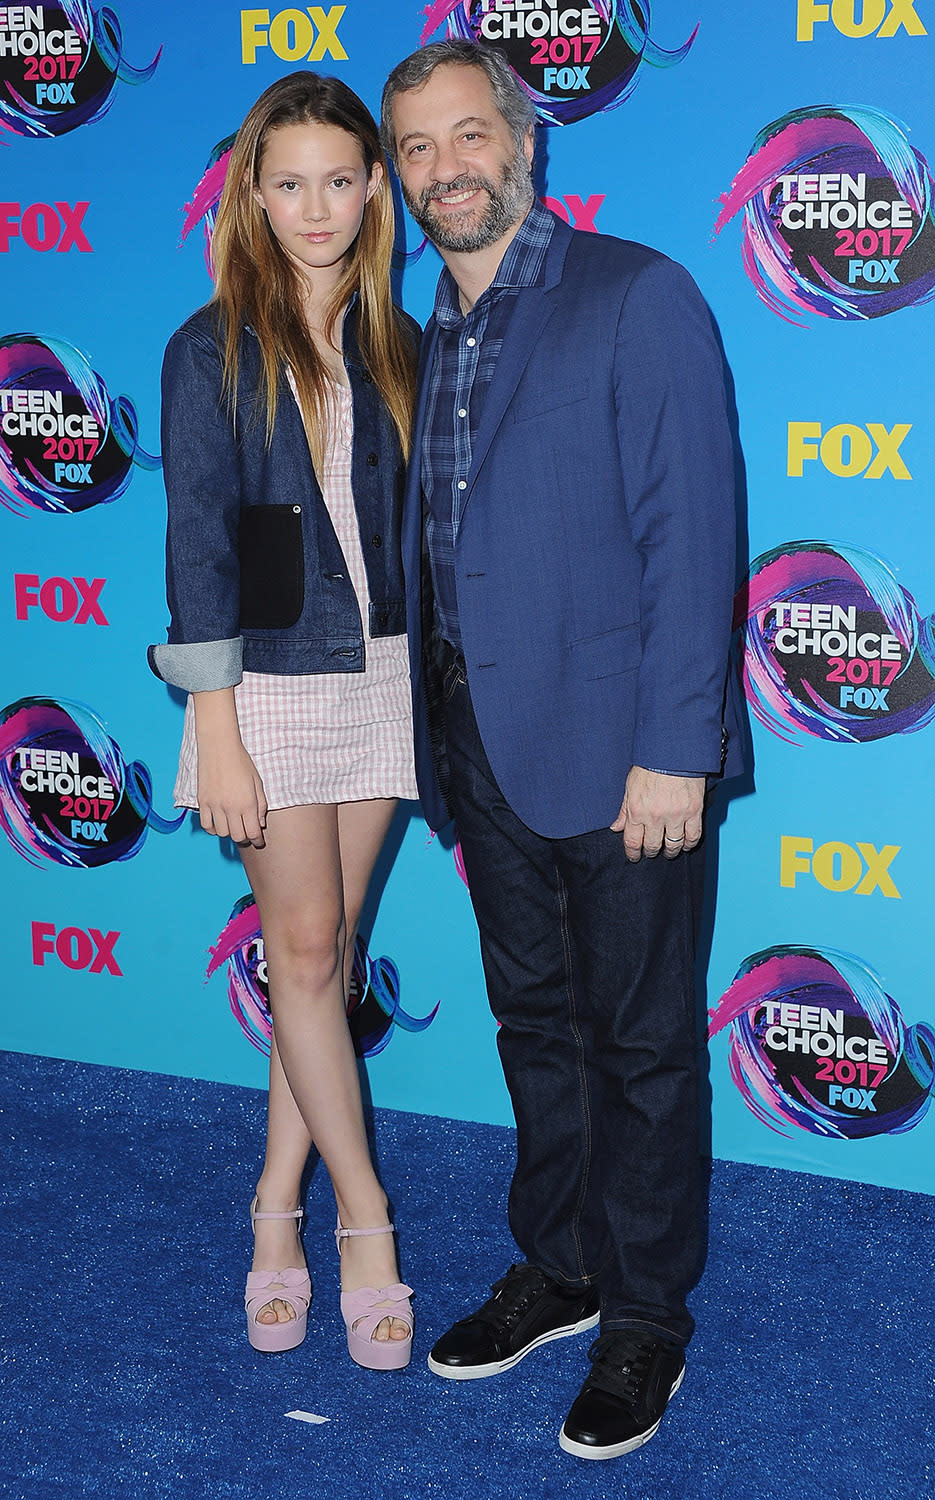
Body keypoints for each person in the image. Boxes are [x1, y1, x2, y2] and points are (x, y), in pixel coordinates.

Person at [381, 40, 743, 1456]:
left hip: (624, 753)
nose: (446, 169)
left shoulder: (636, 293)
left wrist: (676, 751)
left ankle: (648, 1315)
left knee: (644, 1042)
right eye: (418, 148)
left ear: (526, 145)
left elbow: (692, 532)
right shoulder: (432, 325)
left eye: (471, 136)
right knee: (534, 1024)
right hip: (483, 749)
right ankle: (563, 1264)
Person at [148, 71, 419, 1371]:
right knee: (302, 951)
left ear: (374, 194)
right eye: (288, 181)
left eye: (339, 180)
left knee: (324, 965)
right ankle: (362, 1221)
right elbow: (195, 540)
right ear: (254, 197)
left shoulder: (395, 343)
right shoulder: (211, 346)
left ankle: (272, 1216)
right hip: (266, 685)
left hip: (383, 678)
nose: (316, 206)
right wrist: (212, 723)